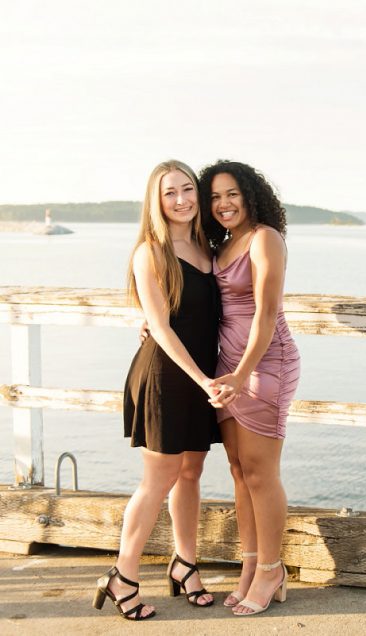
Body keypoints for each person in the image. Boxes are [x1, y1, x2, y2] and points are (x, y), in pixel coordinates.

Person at [93, 160, 222, 620]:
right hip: (167, 376)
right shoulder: (150, 252)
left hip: (201, 377)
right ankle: (122, 575)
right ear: (156, 200)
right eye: (170, 193)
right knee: (158, 480)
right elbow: (163, 330)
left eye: (188, 189)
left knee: (190, 474)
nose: (182, 199)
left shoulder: (211, 247)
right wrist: (204, 379)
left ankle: (185, 563)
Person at [201, 160, 300, 616]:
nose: (224, 204)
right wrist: (150, 322)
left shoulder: (265, 238)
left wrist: (242, 374)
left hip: (265, 363)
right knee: (239, 470)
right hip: (228, 364)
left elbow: (265, 314)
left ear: (250, 195)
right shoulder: (220, 243)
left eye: (232, 194)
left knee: (261, 471)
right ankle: (250, 564)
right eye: (216, 196)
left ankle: (272, 569)